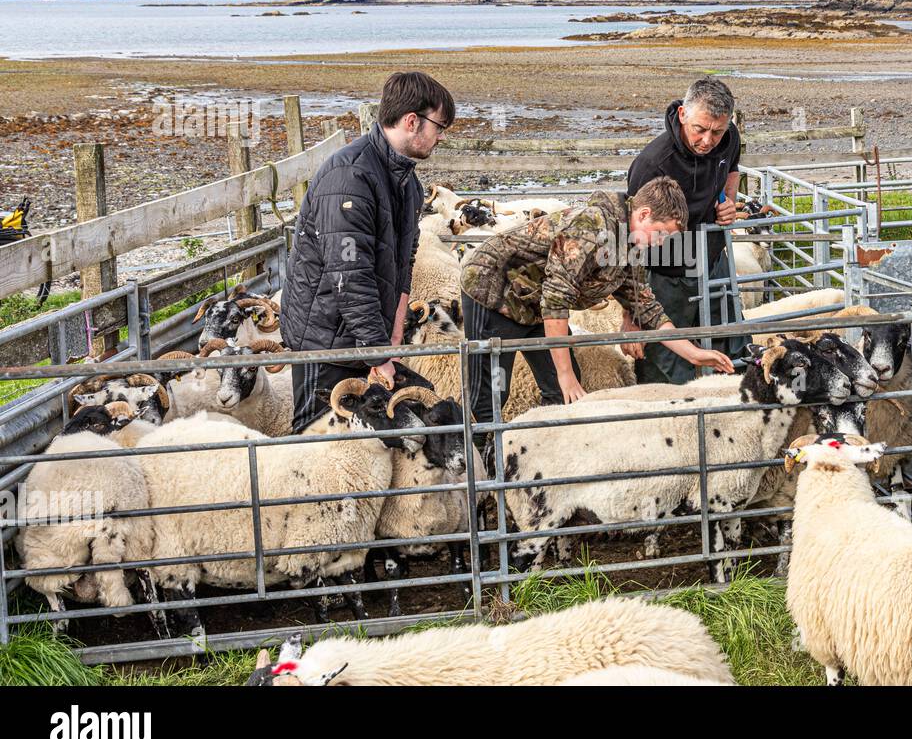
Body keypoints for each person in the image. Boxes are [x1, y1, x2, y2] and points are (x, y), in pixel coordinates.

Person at [459, 176, 734, 462]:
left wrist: (693, 353)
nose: (661, 243)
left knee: (562, 391)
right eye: (661, 234)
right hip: (492, 292)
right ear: (643, 214)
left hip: (533, 304)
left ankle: (542, 462)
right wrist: (565, 375)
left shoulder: (631, 247)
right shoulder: (592, 228)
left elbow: (645, 304)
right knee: (492, 392)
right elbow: (556, 298)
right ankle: (478, 474)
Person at [279, 71, 453, 432]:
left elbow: (404, 261)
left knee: (415, 404)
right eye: (439, 126)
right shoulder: (349, 179)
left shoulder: (407, 185)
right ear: (411, 122)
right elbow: (349, 275)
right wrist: (378, 353)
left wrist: (389, 343)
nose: (440, 137)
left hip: (362, 336)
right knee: (320, 435)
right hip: (325, 339)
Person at [627, 77, 744, 384]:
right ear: (682, 115)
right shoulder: (652, 163)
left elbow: (732, 167)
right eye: (700, 129)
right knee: (666, 364)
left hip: (713, 260)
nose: (708, 140)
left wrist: (729, 201)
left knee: (732, 348)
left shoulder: (729, 137)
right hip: (667, 273)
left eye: (716, 131)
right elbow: (632, 238)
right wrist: (632, 314)